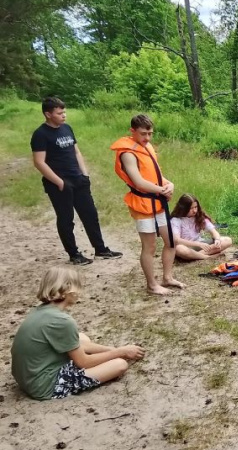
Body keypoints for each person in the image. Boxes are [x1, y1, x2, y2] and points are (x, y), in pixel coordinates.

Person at [11, 267, 145, 400]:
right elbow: (84, 362)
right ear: (67, 290)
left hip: (28, 377)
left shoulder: (41, 310)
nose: (79, 292)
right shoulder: (63, 321)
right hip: (45, 385)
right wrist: (121, 352)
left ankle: (112, 352)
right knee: (119, 364)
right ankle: (115, 355)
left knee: (82, 337)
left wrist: (113, 350)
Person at [30, 97, 122, 265]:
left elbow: (76, 152)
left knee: (90, 215)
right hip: (59, 183)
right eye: (59, 113)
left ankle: (100, 249)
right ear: (48, 114)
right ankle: (73, 254)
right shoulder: (40, 134)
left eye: (64, 111)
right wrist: (59, 182)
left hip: (78, 179)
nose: (64, 115)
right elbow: (39, 162)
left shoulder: (67, 128)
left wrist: (84, 174)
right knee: (66, 219)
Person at [111, 114, 184, 295]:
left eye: (150, 133)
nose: (147, 138)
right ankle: (152, 285)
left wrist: (170, 184)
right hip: (143, 204)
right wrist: (161, 190)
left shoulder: (147, 146)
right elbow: (139, 182)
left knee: (171, 241)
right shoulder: (128, 154)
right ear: (132, 131)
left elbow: (156, 175)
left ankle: (167, 278)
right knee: (149, 247)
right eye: (143, 134)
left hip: (158, 201)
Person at [170, 194, 233, 261]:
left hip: (200, 244)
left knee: (227, 240)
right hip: (186, 246)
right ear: (183, 208)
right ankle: (207, 257)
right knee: (179, 249)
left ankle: (194, 256)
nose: (194, 210)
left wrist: (217, 239)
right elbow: (177, 240)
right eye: (191, 208)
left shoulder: (198, 216)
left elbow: (213, 231)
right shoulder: (176, 220)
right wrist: (198, 244)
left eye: (196, 207)